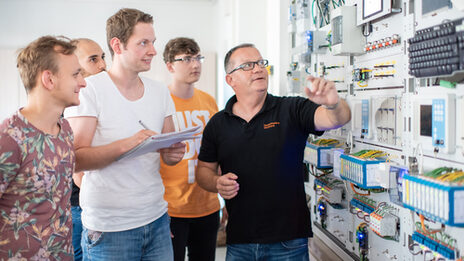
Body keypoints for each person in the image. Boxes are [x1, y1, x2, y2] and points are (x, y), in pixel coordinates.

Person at [196, 43, 351, 261]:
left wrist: (334, 105)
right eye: (248, 65)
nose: (258, 69)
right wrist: (216, 182)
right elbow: (203, 171)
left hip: (288, 243)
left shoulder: (292, 109)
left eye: (261, 63)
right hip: (240, 241)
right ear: (230, 80)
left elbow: (337, 119)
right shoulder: (217, 124)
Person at [64, 8, 185, 261]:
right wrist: (128, 145)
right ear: (117, 45)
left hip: (156, 219)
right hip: (109, 227)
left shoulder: (160, 92)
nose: (152, 50)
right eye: (143, 43)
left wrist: (174, 152)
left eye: (153, 42)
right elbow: (76, 159)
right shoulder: (89, 90)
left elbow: (168, 156)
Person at [0, 35, 86, 260]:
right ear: (49, 79)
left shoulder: (65, 129)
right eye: (76, 74)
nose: (83, 82)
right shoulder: (9, 138)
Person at [160, 37, 220, 261]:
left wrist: (224, 202)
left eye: (197, 58)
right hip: (170, 209)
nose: (195, 65)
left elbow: (218, 152)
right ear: (170, 66)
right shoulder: (160, 102)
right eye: (186, 59)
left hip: (207, 205)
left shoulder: (209, 102)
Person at [69, 38, 107, 261]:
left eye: (103, 57)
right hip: (80, 206)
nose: (102, 65)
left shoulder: (102, 103)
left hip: (102, 205)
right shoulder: (68, 106)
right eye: (93, 59)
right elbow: (78, 173)